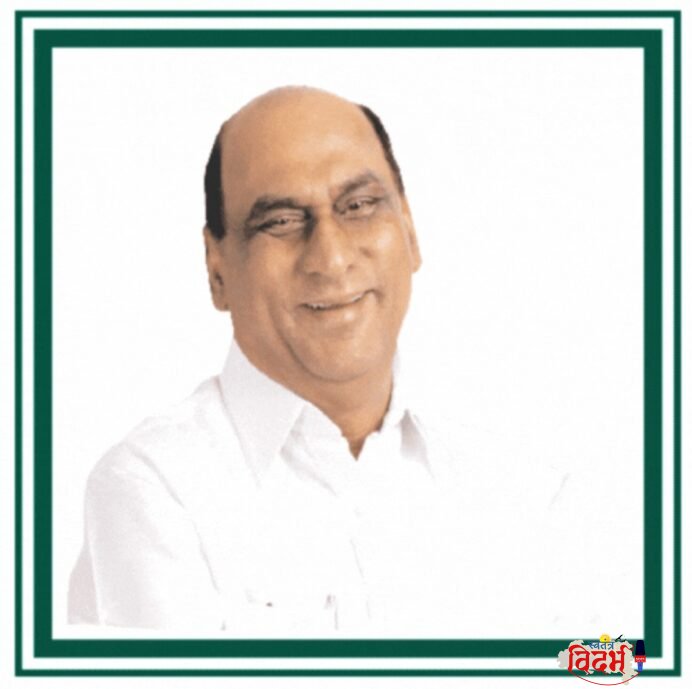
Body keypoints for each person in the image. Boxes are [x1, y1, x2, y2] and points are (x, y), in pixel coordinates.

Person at [68, 86, 564, 636]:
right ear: (217, 269)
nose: (331, 257)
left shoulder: (511, 489)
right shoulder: (156, 491)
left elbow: (611, 663)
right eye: (280, 221)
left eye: (359, 206)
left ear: (410, 231)